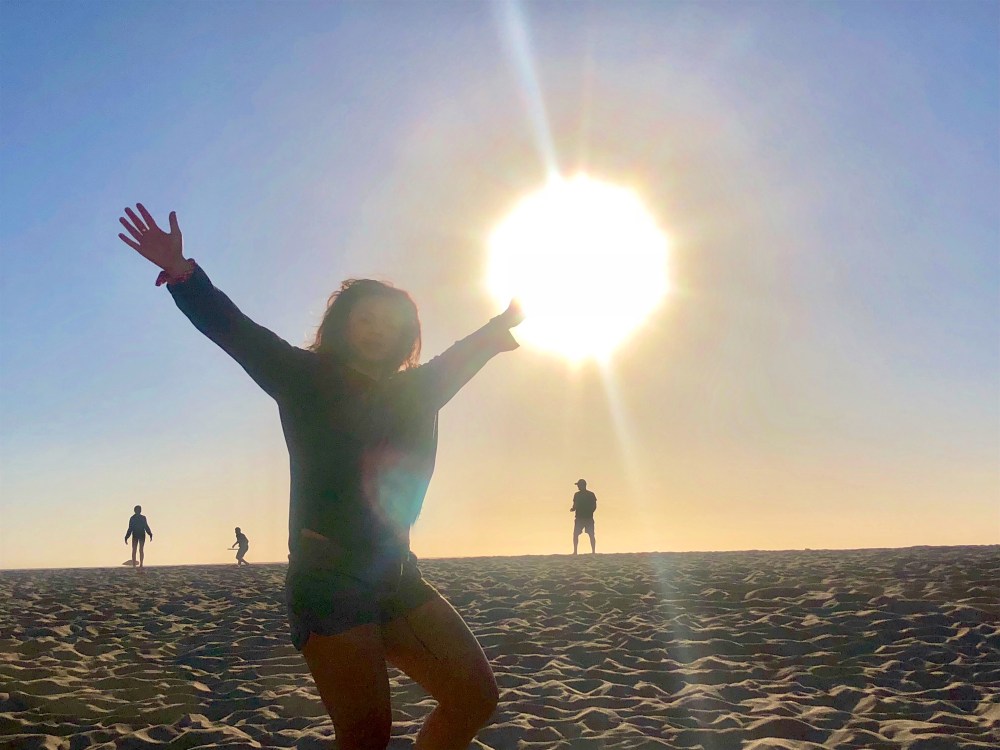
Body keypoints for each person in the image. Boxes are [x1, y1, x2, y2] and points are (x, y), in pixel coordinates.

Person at [117, 203, 523, 750]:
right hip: (329, 581)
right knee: (366, 734)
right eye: (366, 319)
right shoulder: (303, 378)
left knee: (474, 696)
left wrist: (500, 326)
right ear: (343, 325)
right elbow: (237, 332)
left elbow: (462, 355)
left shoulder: (418, 391)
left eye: (391, 323)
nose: (378, 331)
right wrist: (183, 273)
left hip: (397, 575)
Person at [570, 479, 597, 555]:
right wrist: (573, 509)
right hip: (580, 518)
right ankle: (575, 551)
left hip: (587, 518)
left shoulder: (590, 494)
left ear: (583, 485)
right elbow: (575, 504)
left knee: (591, 535)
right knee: (576, 534)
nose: (578, 486)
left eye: (579, 485)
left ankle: (593, 551)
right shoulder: (577, 495)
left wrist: (590, 511)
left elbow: (594, 506)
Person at [124, 505, 153, 571]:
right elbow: (130, 528)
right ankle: (134, 564)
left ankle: (141, 564)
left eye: (139, 510)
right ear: (135, 511)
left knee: (141, 549)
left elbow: (146, 526)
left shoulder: (143, 518)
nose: (138, 511)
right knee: (134, 550)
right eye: (137, 510)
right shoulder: (132, 518)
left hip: (141, 535)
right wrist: (126, 537)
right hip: (135, 535)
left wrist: (150, 534)